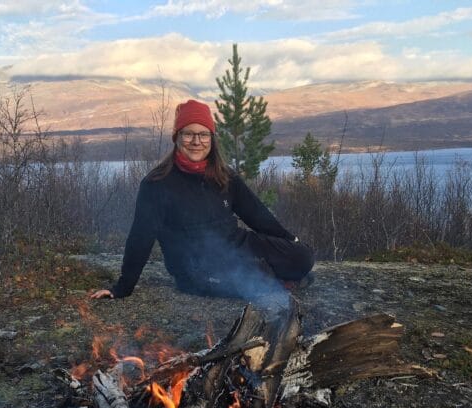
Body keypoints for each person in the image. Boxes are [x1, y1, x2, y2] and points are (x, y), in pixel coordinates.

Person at [90, 99, 314, 301]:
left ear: (211, 139)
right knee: (251, 284)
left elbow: (257, 214)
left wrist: (289, 241)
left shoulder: (224, 175)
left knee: (303, 257)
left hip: (236, 247)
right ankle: (273, 279)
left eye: (203, 134)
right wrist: (123, 287)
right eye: (188, 134)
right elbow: (140, 237)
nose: (196, 141)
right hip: (196, 266)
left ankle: (268, 275)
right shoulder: (156, 184)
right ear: (177, 137)